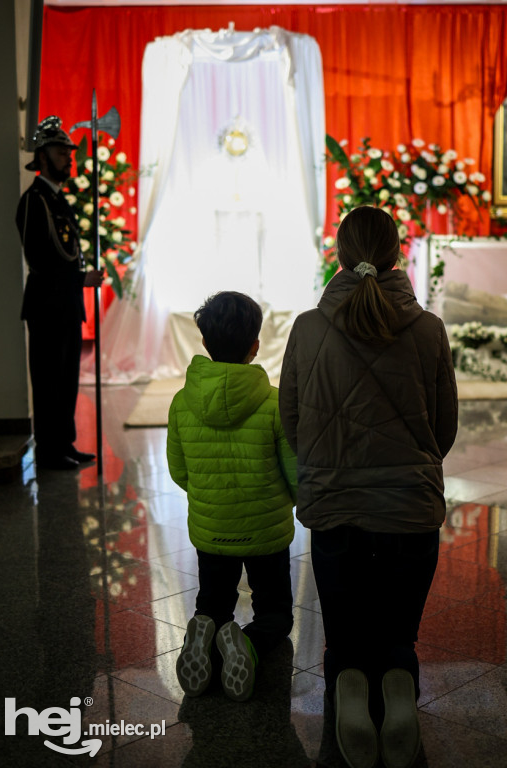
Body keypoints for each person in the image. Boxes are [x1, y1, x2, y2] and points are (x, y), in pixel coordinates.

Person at [279, 206, 458, 768]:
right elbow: (444, 427)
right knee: (398, 630)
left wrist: (328, 461)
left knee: (346, 630)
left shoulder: (308, 326)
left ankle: (351, 692)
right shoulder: (428, 328)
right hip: (410, 507)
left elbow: (292, 420)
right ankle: (399, 690)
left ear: (338, 253)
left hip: (335, 507)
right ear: (397, 252)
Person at [166, 291, 297, 702]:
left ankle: (204, 629)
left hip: (212, 528)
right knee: (274, 613)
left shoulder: (181, 403)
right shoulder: (275, 404)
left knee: (214, 599)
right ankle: (250, 643)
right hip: (266, 530)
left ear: (204, 342)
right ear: (255, 346)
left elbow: (178, 469)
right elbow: (295, 474)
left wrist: (210, 495)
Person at [16, 116, 104, 470]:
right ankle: (49, 451)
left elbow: (66, 254)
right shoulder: (34, 201)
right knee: (50, 381)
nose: (69, 158)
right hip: (47, 304)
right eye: (60, 152)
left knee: (66, 380)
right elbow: (40, 258)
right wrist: (80, 278)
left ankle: (64, 444)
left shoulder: (56, 200)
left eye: (69, 153)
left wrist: (79, 278)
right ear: (41, 158)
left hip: (65, 304)